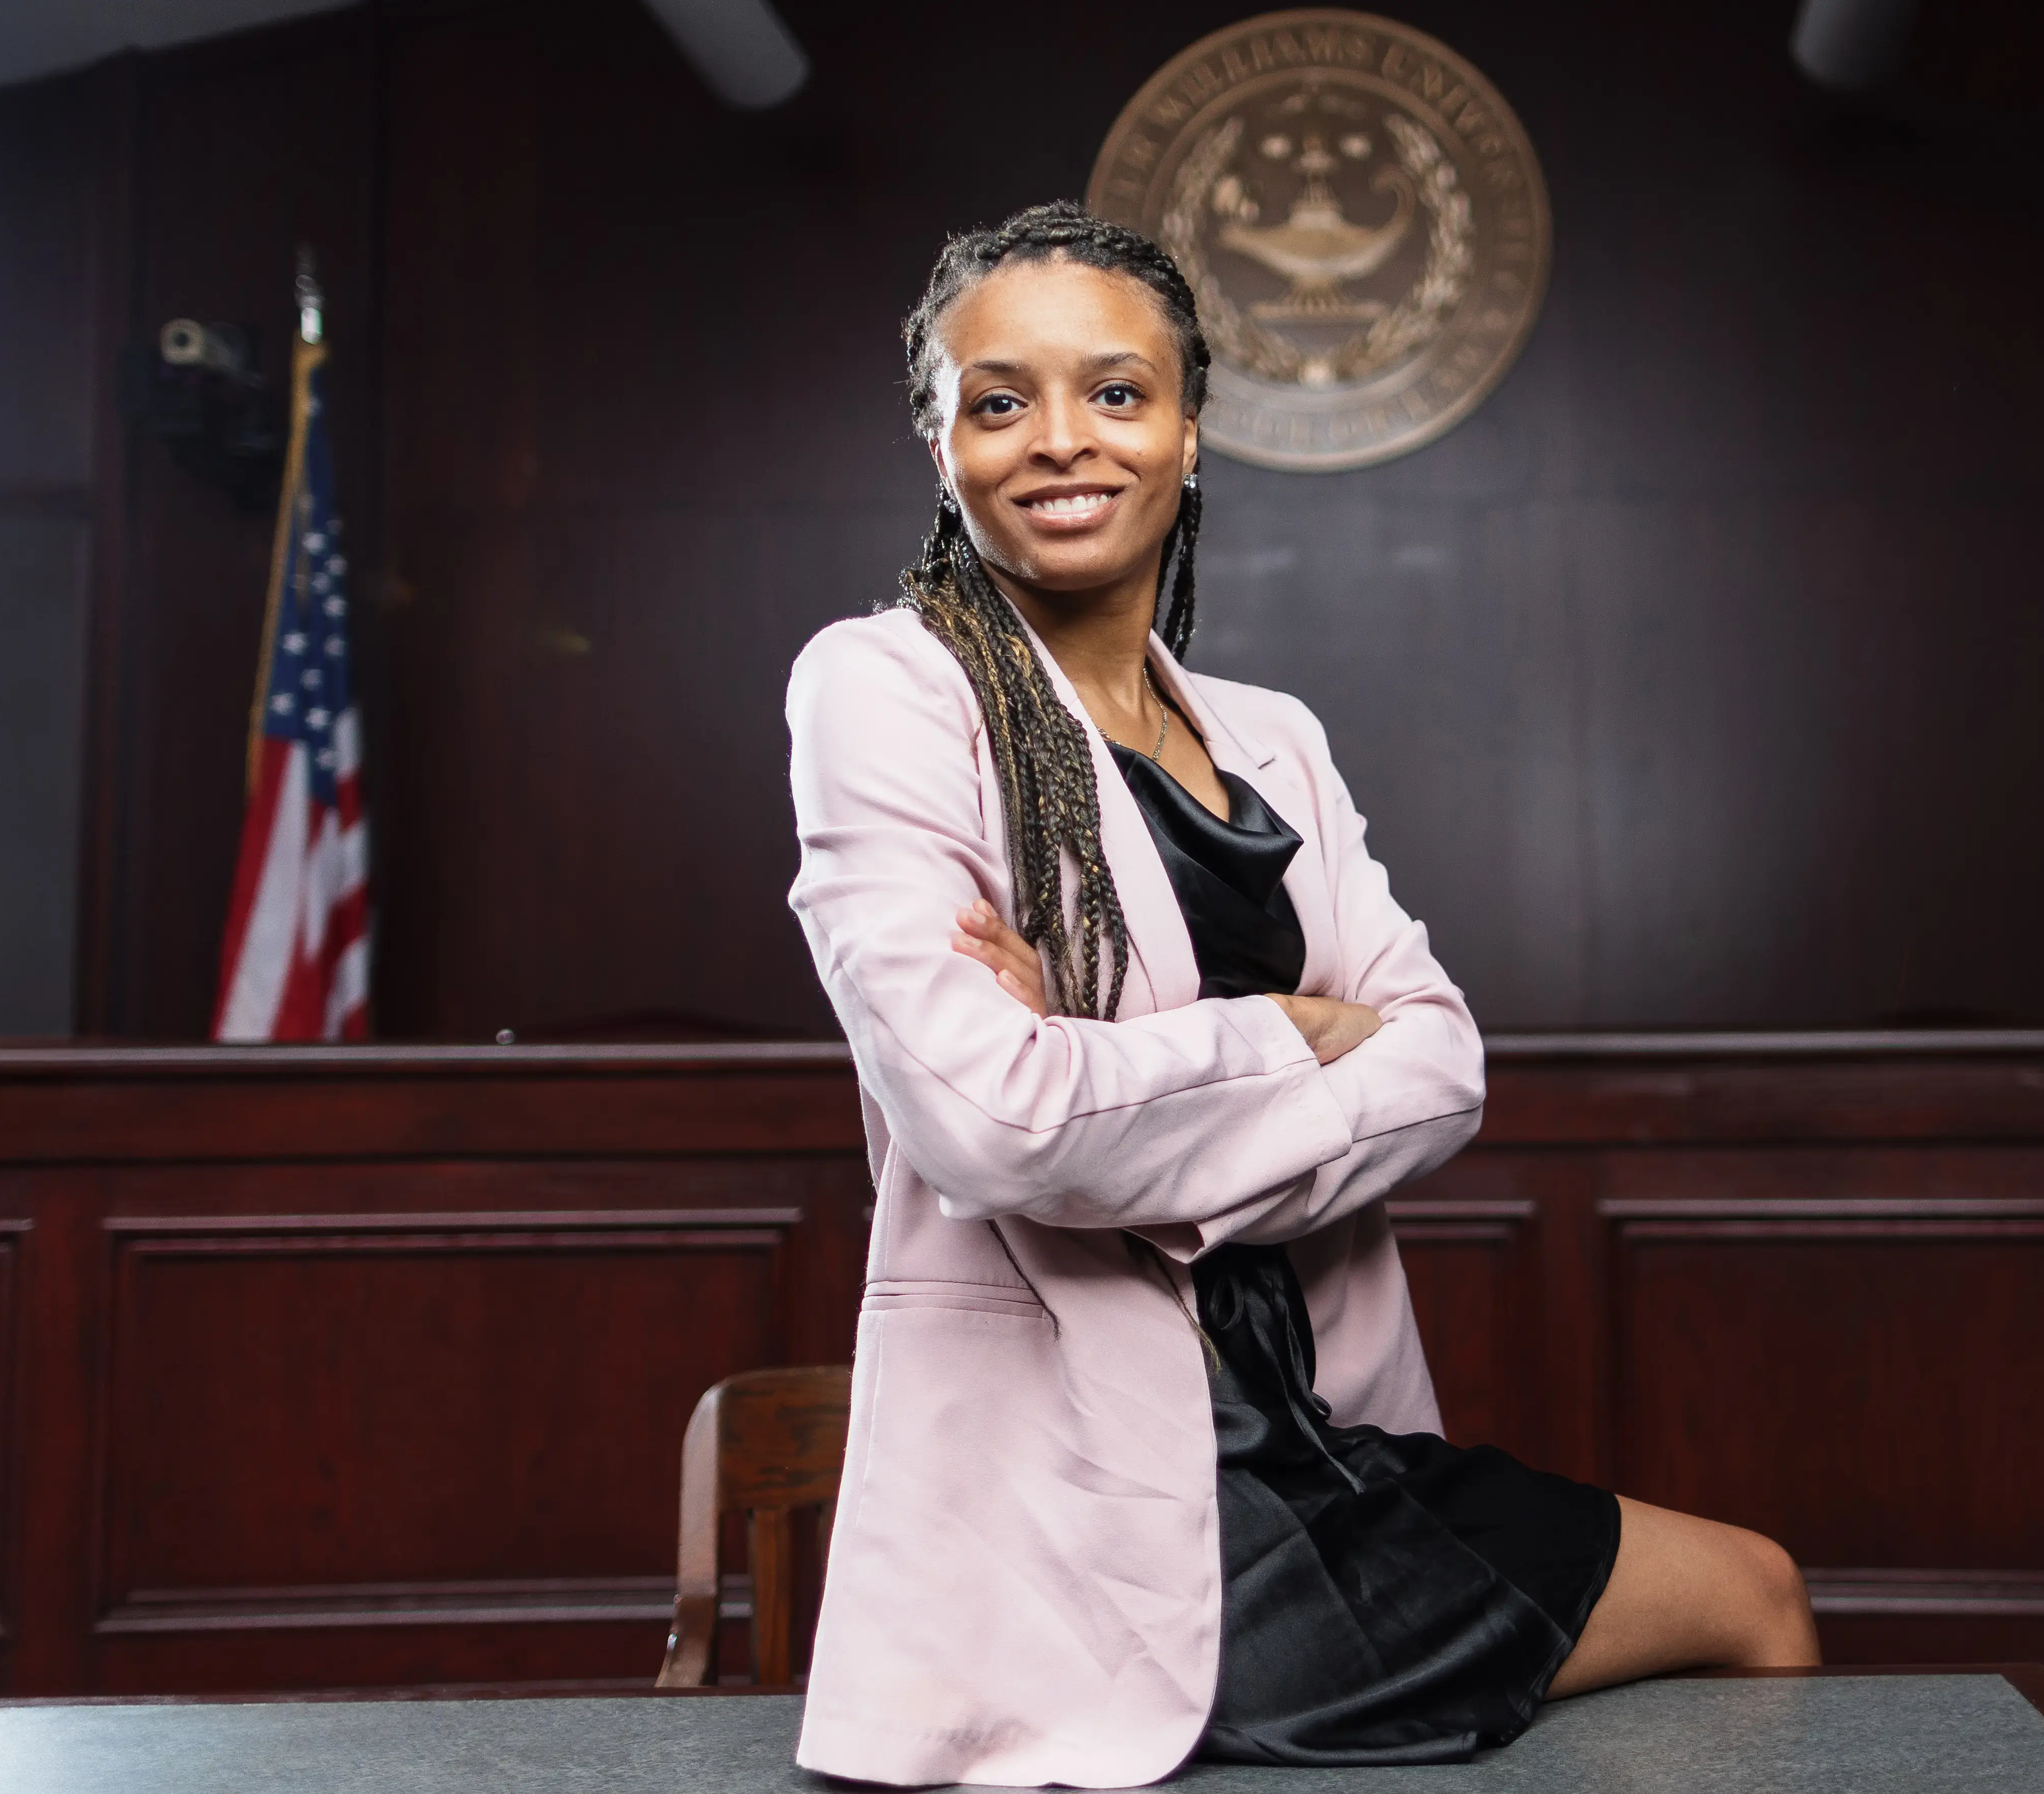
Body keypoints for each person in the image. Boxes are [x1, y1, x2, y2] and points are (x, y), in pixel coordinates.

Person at [780, 203, 1819, 1789]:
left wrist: (1111, 1069)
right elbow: (993, 1124)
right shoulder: (883, 685)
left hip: (1322, 1430)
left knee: (1754, 1591)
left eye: (1117, 393)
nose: (1061, 440)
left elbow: (1445, 1066)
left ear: (1191, 433)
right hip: (1117, 1506)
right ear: (941, 443)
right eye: (1000, 400)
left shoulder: (1275, 737)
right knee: (1750, 1597)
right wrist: (1293, 1037)